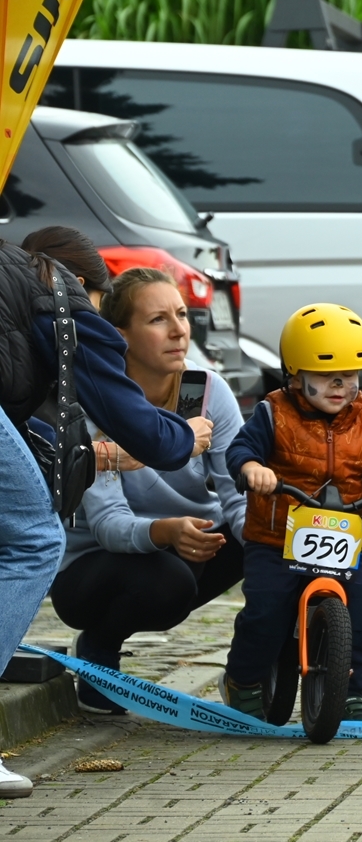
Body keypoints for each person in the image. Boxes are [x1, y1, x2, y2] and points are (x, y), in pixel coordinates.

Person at [0, 228, 194, 798]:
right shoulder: (58, 296)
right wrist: (186, 438)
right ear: (84, 282)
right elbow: (139, 428)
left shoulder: (14, 280)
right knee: (35, 540)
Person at [49, 267, 245, 715]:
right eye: (158, 319)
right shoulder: (94, 401)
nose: (179, 330)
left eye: (181, 314)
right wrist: (166, 531)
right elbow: (109, 524)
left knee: (268, 538)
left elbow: (238, 493)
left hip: (185, 543)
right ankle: (100, 647)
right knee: (168, 581)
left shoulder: (204, 389)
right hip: (93, 567)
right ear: (120, 336)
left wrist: (266, 541)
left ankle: (251, 669)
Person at [222, 303, 362, 720]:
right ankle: (243, 680)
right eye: (327, 376)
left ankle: (350, 685)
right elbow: (240, 449)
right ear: (295, 376)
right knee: (267, 611)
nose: (340, 386)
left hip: (339, 536)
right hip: (276, 539)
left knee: (360, 608)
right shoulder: (273, 413)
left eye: (350, 376)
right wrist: (252, 468)